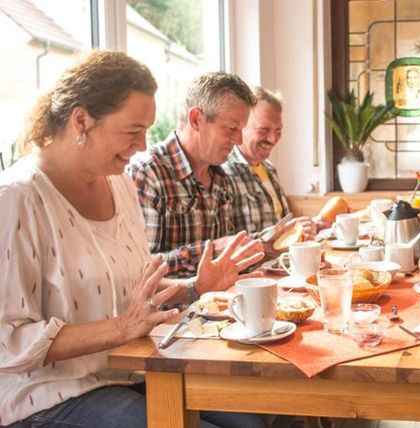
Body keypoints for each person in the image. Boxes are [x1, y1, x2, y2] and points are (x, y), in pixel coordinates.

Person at [0, 51, 266, 427]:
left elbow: (133, 289)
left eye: (146, 131)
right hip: (48, 395)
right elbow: (7, 342)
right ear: (81, 120)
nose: (143, 146)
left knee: (250, 422)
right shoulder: (16, 198)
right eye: (132, 131)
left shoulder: (118, 183)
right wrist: (119, 329)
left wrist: (196, 286)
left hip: (128, 371)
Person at [128, 72, 258, 279]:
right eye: (232, 128)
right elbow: (142, 269)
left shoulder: (220, 176)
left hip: (218, 305)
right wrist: (210, 250)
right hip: (174, 310)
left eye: (241, 129)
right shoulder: (148, 174)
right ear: (196, 119)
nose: (239, 140)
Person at [223, 86, 317, 259]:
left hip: (279, 268)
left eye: (278, 130)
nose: (273, 139)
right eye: (264, 130)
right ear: (241, 126)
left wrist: (300, 231)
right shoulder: (223, 172)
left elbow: (282, 229)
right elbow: (224, 244)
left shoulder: (269, 169)